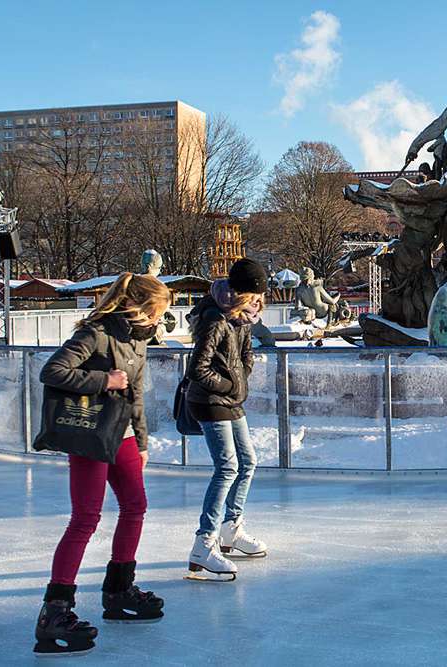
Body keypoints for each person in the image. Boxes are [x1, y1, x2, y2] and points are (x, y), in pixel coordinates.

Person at [32, 272, 171, 656]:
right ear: (140, 308)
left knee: (135, 507)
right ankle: (55, 611)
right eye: (157, 312)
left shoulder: (138, 339)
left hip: (124, 435)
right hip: (92, 434)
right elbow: (53, 371)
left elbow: (137, 393)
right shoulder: (96, 332)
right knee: (85, 519)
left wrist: (141, 442)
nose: (160, 320)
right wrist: (103, 380)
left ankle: (119, 590)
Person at [185, 258, 269, 582]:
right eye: (255, 296)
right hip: (208, 401)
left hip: (230, 400)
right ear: (240, 292)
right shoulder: (214, 319)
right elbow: (198, 369)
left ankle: (230, 529)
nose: (260, 303)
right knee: (228, 467)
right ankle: (204, 543)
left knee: (248, 461)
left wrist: (242, 377)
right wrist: (229, 385)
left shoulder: (243, 319)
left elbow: (246, 354)